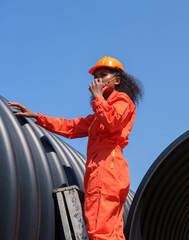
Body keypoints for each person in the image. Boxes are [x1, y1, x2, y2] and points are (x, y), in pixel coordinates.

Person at [8, 56, 143, 240]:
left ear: (117, 80)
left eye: (103, 75)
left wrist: (97, 98)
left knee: (99, 230)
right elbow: (70, 126)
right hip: (107, 168)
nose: (98, 80)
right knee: (113, 232)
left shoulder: (122, 101)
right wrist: (37, 116)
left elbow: (112, 122)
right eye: (96, 77)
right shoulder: (97, 115)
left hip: (107, 167)